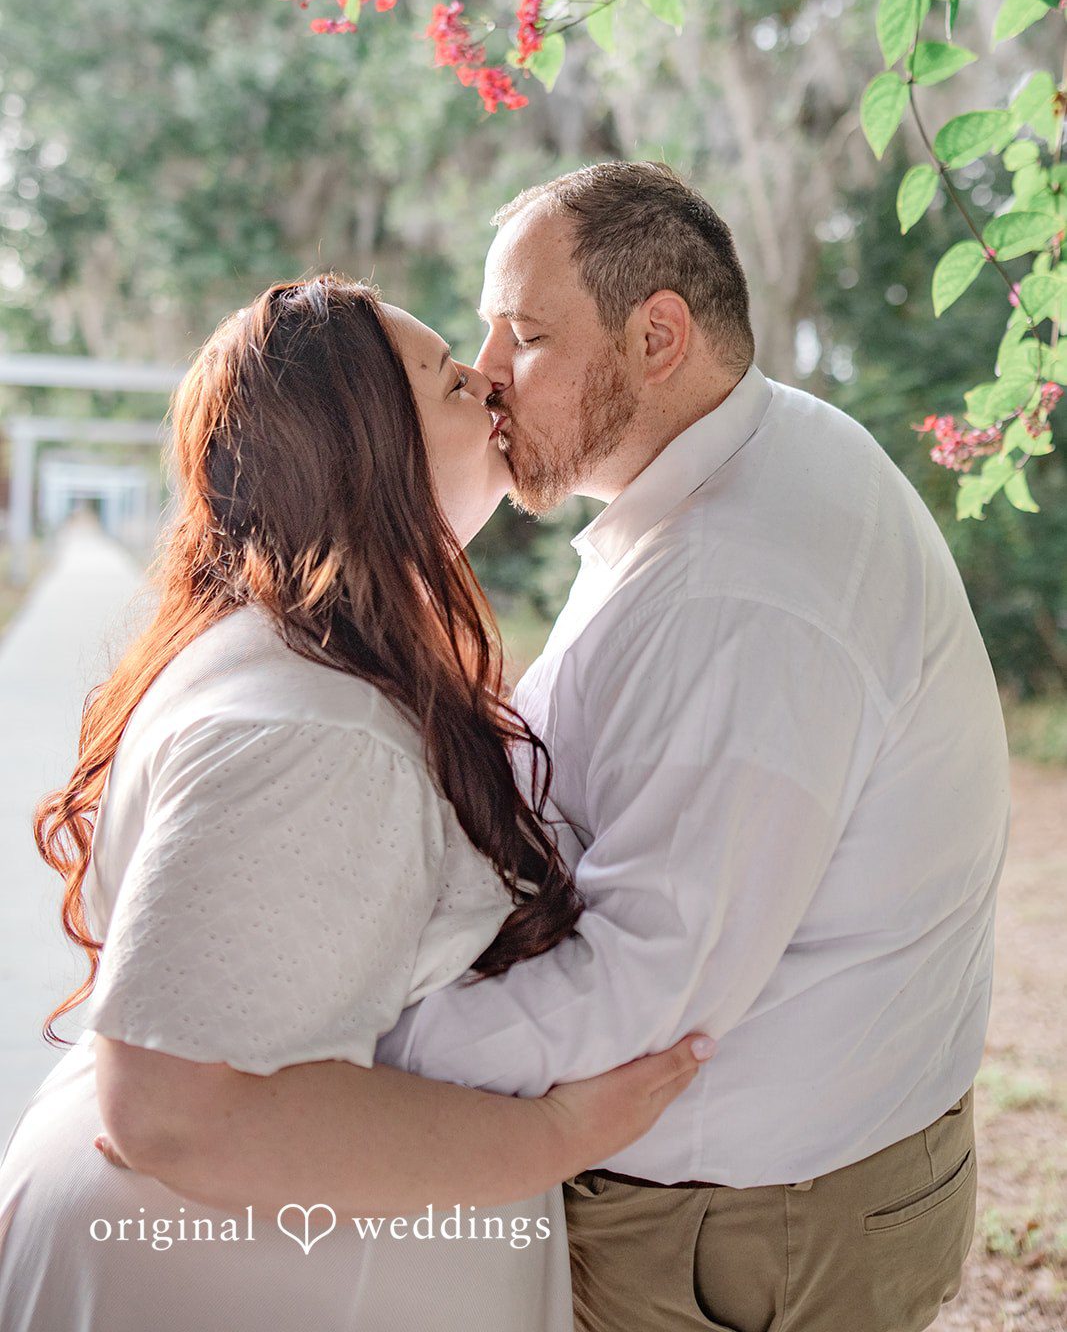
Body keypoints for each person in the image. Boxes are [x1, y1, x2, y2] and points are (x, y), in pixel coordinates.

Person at [0, 275, 713, 1332]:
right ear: (362, 442)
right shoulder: (311, 729)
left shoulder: (299, 657)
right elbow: (174, 1111)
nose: (488, 379)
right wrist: (558, 1135)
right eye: (444, 376)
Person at [373, 160, 1012, 1332]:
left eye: (525, 333)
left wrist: (366, 1042)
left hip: (747, 1231)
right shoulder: (730, 467)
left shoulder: (745, 591)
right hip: (775, 1187)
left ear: (655, 337)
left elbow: (642, 984)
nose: (486, 373)